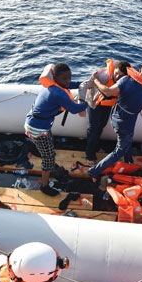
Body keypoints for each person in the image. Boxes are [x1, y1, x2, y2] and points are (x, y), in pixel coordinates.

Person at [25, 63, 88, 196]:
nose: (68, 81)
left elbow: (69, 85)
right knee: (48, 158)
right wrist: (88, 103)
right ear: (56, 77)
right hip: (38, 128)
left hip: (37, 123)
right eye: (65, 78)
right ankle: (44, 186)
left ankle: (41, 153)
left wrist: (86, 83)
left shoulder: (54, 85)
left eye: (69, 77)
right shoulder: (58, 93)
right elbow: (74, 109)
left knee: (48, 149)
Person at [87, 63, 142, 180]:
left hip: (114, 117)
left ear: (140, 70)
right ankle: (93, 171)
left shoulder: (125, 79)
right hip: (125, 125)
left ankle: (128, 160)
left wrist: (95, 80)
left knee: (127, 140)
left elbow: (108, 91)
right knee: (119, 151)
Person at [84, 59, 130, 164]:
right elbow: (88, 86)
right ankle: (89, 155)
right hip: (94, 101)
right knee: (93, 128)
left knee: (102, 125)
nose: (117, 77)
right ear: (115, 69)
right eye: (117, 73)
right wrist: (88, 102)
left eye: (121, 76)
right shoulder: (104, 76)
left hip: (107, 103)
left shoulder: (125, 80)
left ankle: (95, 147)